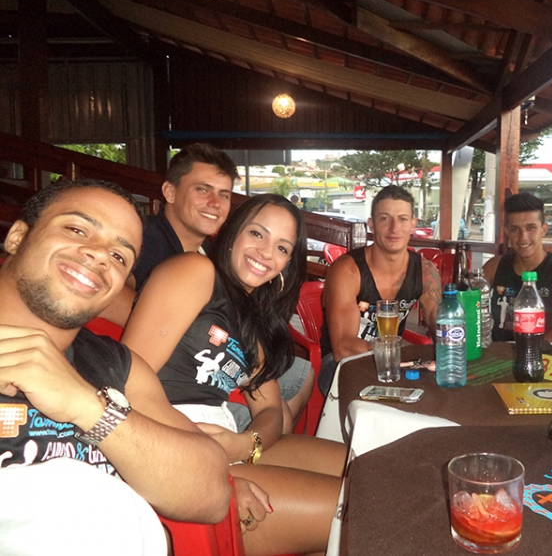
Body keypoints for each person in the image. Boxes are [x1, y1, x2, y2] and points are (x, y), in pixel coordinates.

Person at [0, 179, 237, 555]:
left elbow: (211, 492)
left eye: (119, 256)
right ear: (17, 237)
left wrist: (87, 406)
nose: (99, 255)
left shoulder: (117, 366)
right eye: (77, 229)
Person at [121, 194, 345, 556]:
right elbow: (126, 383)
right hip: (164, 444)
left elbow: (270, 410)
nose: (266, 252)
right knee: (358, 508)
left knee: (364, 470)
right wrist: (214, 472)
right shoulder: (195, 271)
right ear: (232, 233)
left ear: (287, 264)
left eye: (282, 247)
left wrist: (248, 444)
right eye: (257, 233)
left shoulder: (252, 320)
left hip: (222, 441)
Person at [100, 143, 313, 432]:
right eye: (203, 189)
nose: (215, 203)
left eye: (224, 194)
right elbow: (103, 291)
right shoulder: (145, 238)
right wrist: (181, 320)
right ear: (170, 192)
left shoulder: (212, 255)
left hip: (213, 380)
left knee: (293, 389)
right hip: (159, 395)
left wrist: (251, 444)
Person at [319, 185, 442, 395]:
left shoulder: (425, 271)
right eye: (385, 219)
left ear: (413, 224)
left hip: (393, 364)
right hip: (342, 365)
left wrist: (452, 344)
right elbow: (343, 348)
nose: (394, 228)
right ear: (372, 224)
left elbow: (437, 322)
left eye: (403, 219)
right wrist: (398, 355)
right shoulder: (347, 270)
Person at [482, 192, 552, 343]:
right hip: (498, 353)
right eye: (515, 229)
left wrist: (526, 349)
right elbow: (468, 310)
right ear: (507, 232)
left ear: (543, 230)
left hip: (545, 355)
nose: (523, 237)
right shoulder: (494, 266)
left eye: (531, 228)